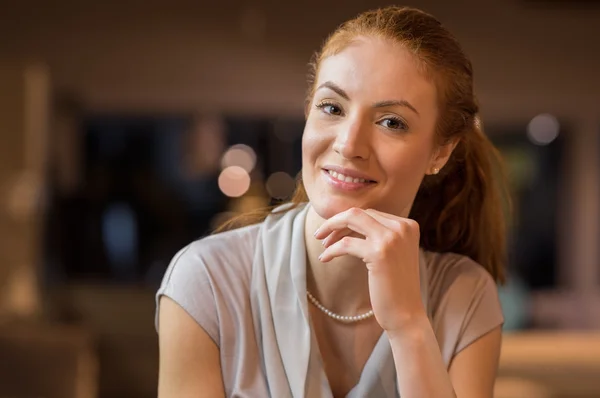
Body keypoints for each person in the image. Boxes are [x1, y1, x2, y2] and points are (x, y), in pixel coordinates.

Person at [156, 6, 509, 398]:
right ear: (309, 112)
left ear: (440, 153)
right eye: (332, 108)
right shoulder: (205, 281)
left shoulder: (465, 297)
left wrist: (409, 325)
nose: (348, 144)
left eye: (391, 122)